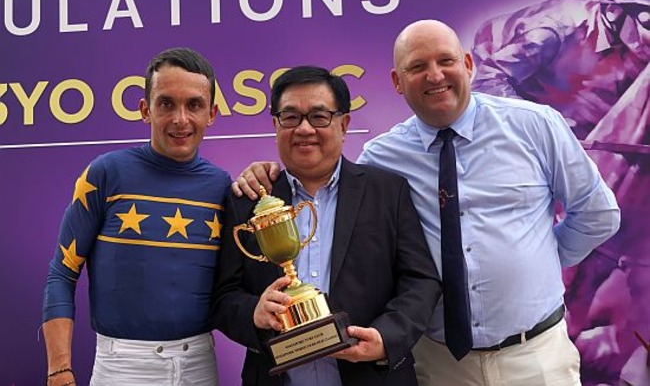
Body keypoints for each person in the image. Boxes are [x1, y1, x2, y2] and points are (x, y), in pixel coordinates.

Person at [233, 20, 621, 385]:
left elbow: (597, 213)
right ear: (397, 82)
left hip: (535, 354)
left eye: (446, 61)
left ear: (468, 65)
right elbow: (325, 178)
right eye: (417, 66)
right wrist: (267, 175)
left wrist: (542, 258)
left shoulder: (535, 125)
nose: (435, 75)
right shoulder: (380, 159)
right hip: (437, 362)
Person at [211, 65, 441, 386]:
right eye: (290, 117)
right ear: (275, 124)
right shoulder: (247, 201)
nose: (304, 129)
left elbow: (421, 280)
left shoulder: (388, 191)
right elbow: (223, 296)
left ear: (344, 124)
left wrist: (385, 338)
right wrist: (254, 312)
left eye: (319, 117)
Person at [471, 0, 650, 381]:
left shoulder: (636, 46)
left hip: (580, 111)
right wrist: (542, 143)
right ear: (614, 13)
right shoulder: (557, 25)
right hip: (510, 92)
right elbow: (486, 81)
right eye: (649, 24)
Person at [41, 47, 231, 386]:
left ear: (212, 113)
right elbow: (62, 272)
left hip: (201, 364)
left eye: (194, 105)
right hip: (121, 368)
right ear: (145, 109)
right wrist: (59, 368)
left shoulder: (223, 186)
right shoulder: (104, 173)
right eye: (166, 103)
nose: (180, 119)